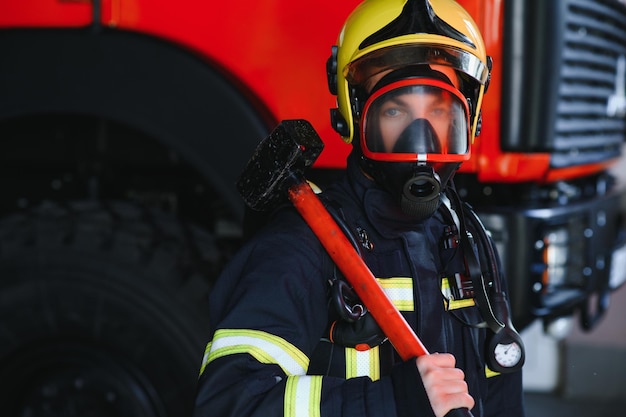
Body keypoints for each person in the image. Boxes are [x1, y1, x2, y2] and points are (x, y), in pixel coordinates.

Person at [193, 0, 526, 416]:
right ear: (356, 114)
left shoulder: (469, 244)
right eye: (394, 110)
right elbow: (228, 404)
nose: (418, 135)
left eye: (439, 111)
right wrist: (389, 402)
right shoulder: (300, 249)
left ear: (467, 119)